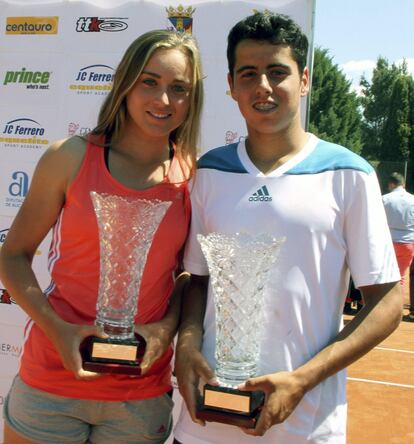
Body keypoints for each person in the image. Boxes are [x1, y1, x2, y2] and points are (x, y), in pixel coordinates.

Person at [173, 12, 402, 444]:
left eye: (278, 72)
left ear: (305, 80)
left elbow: (387, 302)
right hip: (205, 423)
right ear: (231, 85)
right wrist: (187, 346)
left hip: (306, 427)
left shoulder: (348, 173)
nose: (263, 86)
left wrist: (301, 380)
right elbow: (196, 280)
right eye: (249, 74)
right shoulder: (210, 171)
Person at [0, 29, 203, 444]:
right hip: (50, 385)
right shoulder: (70, 157)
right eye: (150, 82)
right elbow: (13, 255)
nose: (164, 100)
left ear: (192, 99)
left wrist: (165, 329)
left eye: (178, 88)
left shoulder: (194, 179)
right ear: (125, 83)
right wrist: (58, 330)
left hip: (139, 395)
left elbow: (189, 277)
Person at [382, 172, 414, 322]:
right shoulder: (412, 200)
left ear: (391, 184)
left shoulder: (385, 199)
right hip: (408, 244)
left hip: (388, 242)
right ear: (404, 185)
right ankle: (396, 312)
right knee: (400, 278)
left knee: (384, 278)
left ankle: (381, 311)